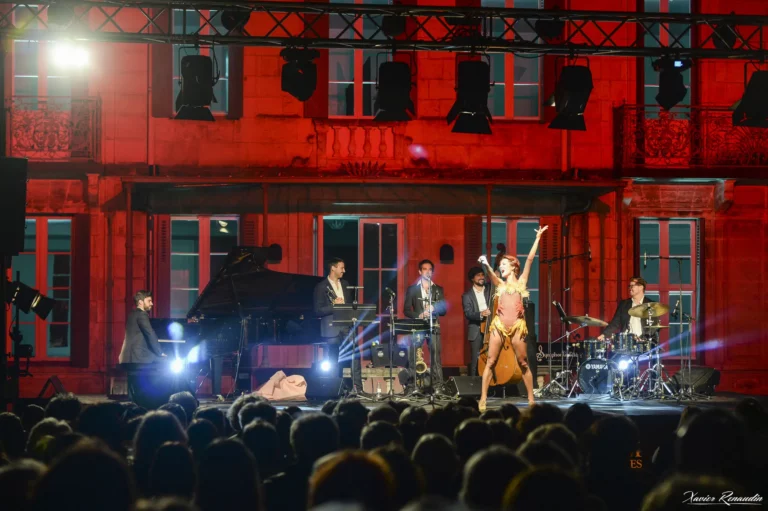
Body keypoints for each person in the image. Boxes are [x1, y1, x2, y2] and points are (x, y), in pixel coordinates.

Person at [477, 225, 547, 410]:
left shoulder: (522, 281)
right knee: (490, 361)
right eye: (500, 265)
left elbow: (530, 259)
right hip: (499, 325)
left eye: (504, 265)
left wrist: (538, 238)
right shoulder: (499, 283)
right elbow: (492, 277)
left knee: (523, 362)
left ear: (514, 267)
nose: (501, 267)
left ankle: (531, 398)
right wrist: (485, 263)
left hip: (517, 326)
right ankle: (483, 397)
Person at [313, 257, 362, 391]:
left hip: (347, 326)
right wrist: (334, 306)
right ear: (333, 268)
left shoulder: (345, 284)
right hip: (331, 328)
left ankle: (358, 388)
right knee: (333, 359)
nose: (344, 271)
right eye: (341, 268)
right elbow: (317, 310)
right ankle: (334, 389)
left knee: (355, 355)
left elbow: (349, 304)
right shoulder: (321, 287)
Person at [403, 259, 447, 388]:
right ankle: (412, 386)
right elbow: (406, 310)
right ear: (420, 271)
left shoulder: (438, 289)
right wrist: (419, 315)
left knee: (435, 357)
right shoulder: (412, 289)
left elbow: (444, 310)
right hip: (418, 327)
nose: (428, 272)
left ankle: (438, 386)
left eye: (430, 269)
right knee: (414, 356)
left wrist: (434, 308)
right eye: (425, 269)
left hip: (434, 326)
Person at [119, 290, 167, 407]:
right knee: (166, 362)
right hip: (138, 356)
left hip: (127, 356)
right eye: (149, 301)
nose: (152, 304)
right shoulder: (142, 315)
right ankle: (159, 398)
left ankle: (138, 398)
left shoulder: (132, 314)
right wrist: (160, 353)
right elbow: (150, 334)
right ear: (140, 302)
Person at [597, 277, 657, 341]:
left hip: (643, 342)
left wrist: (643, 339)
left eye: (632, 286)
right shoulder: (624, 304)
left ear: (641, 287)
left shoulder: (651, 305)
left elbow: (654, 327)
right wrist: (604, 334)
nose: (630, 288)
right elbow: (615, 323)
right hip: (627, 342)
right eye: (629, 286)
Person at [462, 267, 492, 377]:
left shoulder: (489, 289)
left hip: (491, 328)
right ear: (472, 278)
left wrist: (495, 274)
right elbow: (468, 313)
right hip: (476, 329)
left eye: (482, 275)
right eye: (478, 275)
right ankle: (474, 384)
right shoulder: (467, 295)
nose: (481, 277)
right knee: (475, 358)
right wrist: (481, 314)